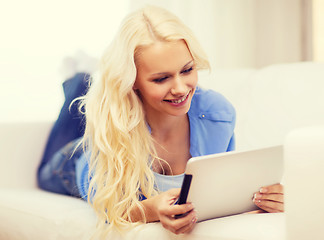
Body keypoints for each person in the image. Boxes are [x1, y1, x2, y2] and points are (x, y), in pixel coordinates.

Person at [37, 5, 284, 238]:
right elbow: (108, 207)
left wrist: (262, 200)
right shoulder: (113, 122)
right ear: (132, 80)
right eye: (161, 78)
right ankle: (78, 81)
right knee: (44, 171)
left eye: (187, 70)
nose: (180, 88)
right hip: (75, 163)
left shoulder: (218, 114)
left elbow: (221, 193)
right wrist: (151, 210)